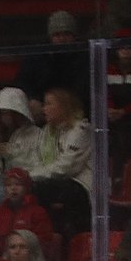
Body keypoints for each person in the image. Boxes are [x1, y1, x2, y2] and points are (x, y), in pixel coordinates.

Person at [27, 87, 94, 242]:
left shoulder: (80, 130)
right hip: (61, 182)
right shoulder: (51, 132)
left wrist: (30, 175)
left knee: (42, 188)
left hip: (82, 185)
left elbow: (66, 167)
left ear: (63, 106)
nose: (44, 109)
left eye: (49, 104)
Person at [14, 11, 90, 124]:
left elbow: (84, 91)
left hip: (74, 113)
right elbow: (23, 81)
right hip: (42, 114)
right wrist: (33, 99)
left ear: (74, 36)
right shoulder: (38, 56)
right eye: (57, 35)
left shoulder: (84, 58)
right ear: (50, 37)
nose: (62, 39)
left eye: (66, 34)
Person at [0, 86, 42, 208]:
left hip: (21, 184)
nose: (5, 117)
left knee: (0, 195)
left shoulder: (35, 134)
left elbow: (34, 165)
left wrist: (7, 152)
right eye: (2, 113)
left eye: (9, 113)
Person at [0, 168, 54, 261]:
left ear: (26, 188)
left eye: (18, 184)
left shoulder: (38, 212)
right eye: (8, 185)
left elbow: (44, 245)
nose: (13, 188)